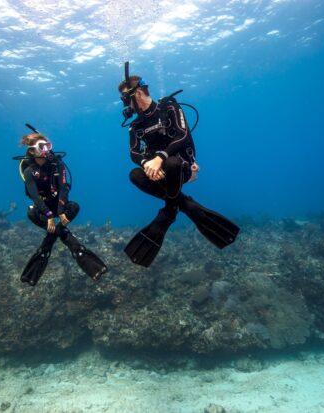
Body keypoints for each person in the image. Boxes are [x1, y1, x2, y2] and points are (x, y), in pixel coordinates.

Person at [118, 65, 240, 267]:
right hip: (159, 174)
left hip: (180, 167)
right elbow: (133, 153)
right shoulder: (135, 126)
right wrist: (147, 163)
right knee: (135, 175)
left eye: (125, 97)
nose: (124, 103)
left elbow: (183, 135)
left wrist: (160, 157)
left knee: (172, 162)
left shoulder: (170, 108)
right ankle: (183, 205)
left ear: (137, 92)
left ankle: (167, 213)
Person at [17, 132, 108, 285]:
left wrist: (60, 211)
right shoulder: (28, 171)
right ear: (32, 151)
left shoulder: (57, 164)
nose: (46, 149)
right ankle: (72, 243)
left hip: (59, 204)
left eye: (48, 145)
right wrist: (49, 215)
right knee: (31, 212)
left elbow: (64, 188)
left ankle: (47, 244)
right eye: (42, 146)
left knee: (75, 207)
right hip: (42, 208)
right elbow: (35, 197)